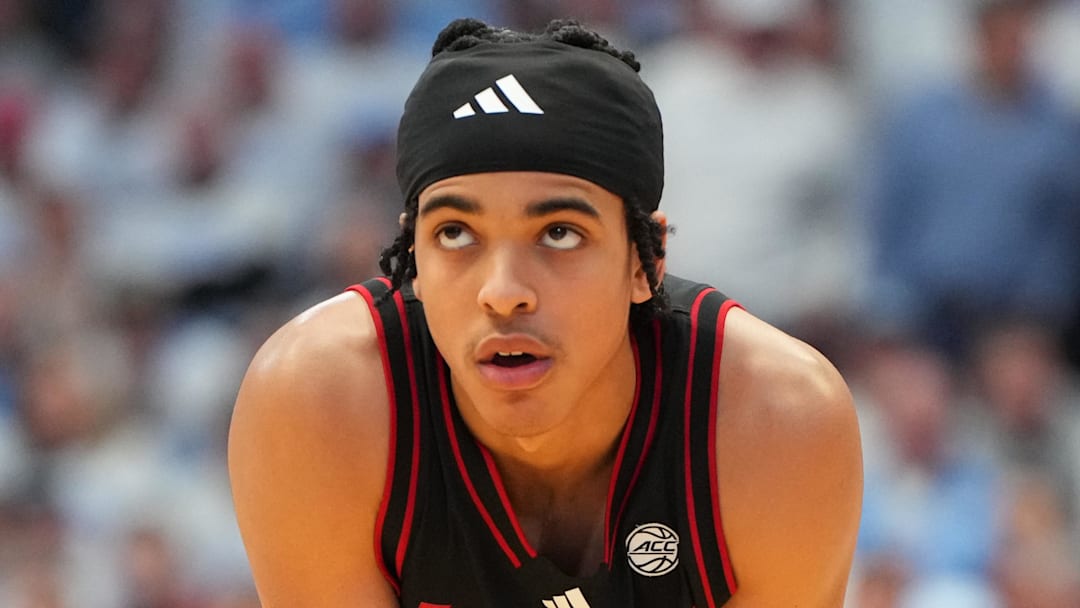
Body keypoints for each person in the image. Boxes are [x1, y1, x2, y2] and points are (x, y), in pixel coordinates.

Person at [227, 17, 862, 608]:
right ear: (412, 258)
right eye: (455, 233)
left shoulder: (775, 420)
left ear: (647, 263)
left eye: (559, 233)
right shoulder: (317, 400)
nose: (503, 292)